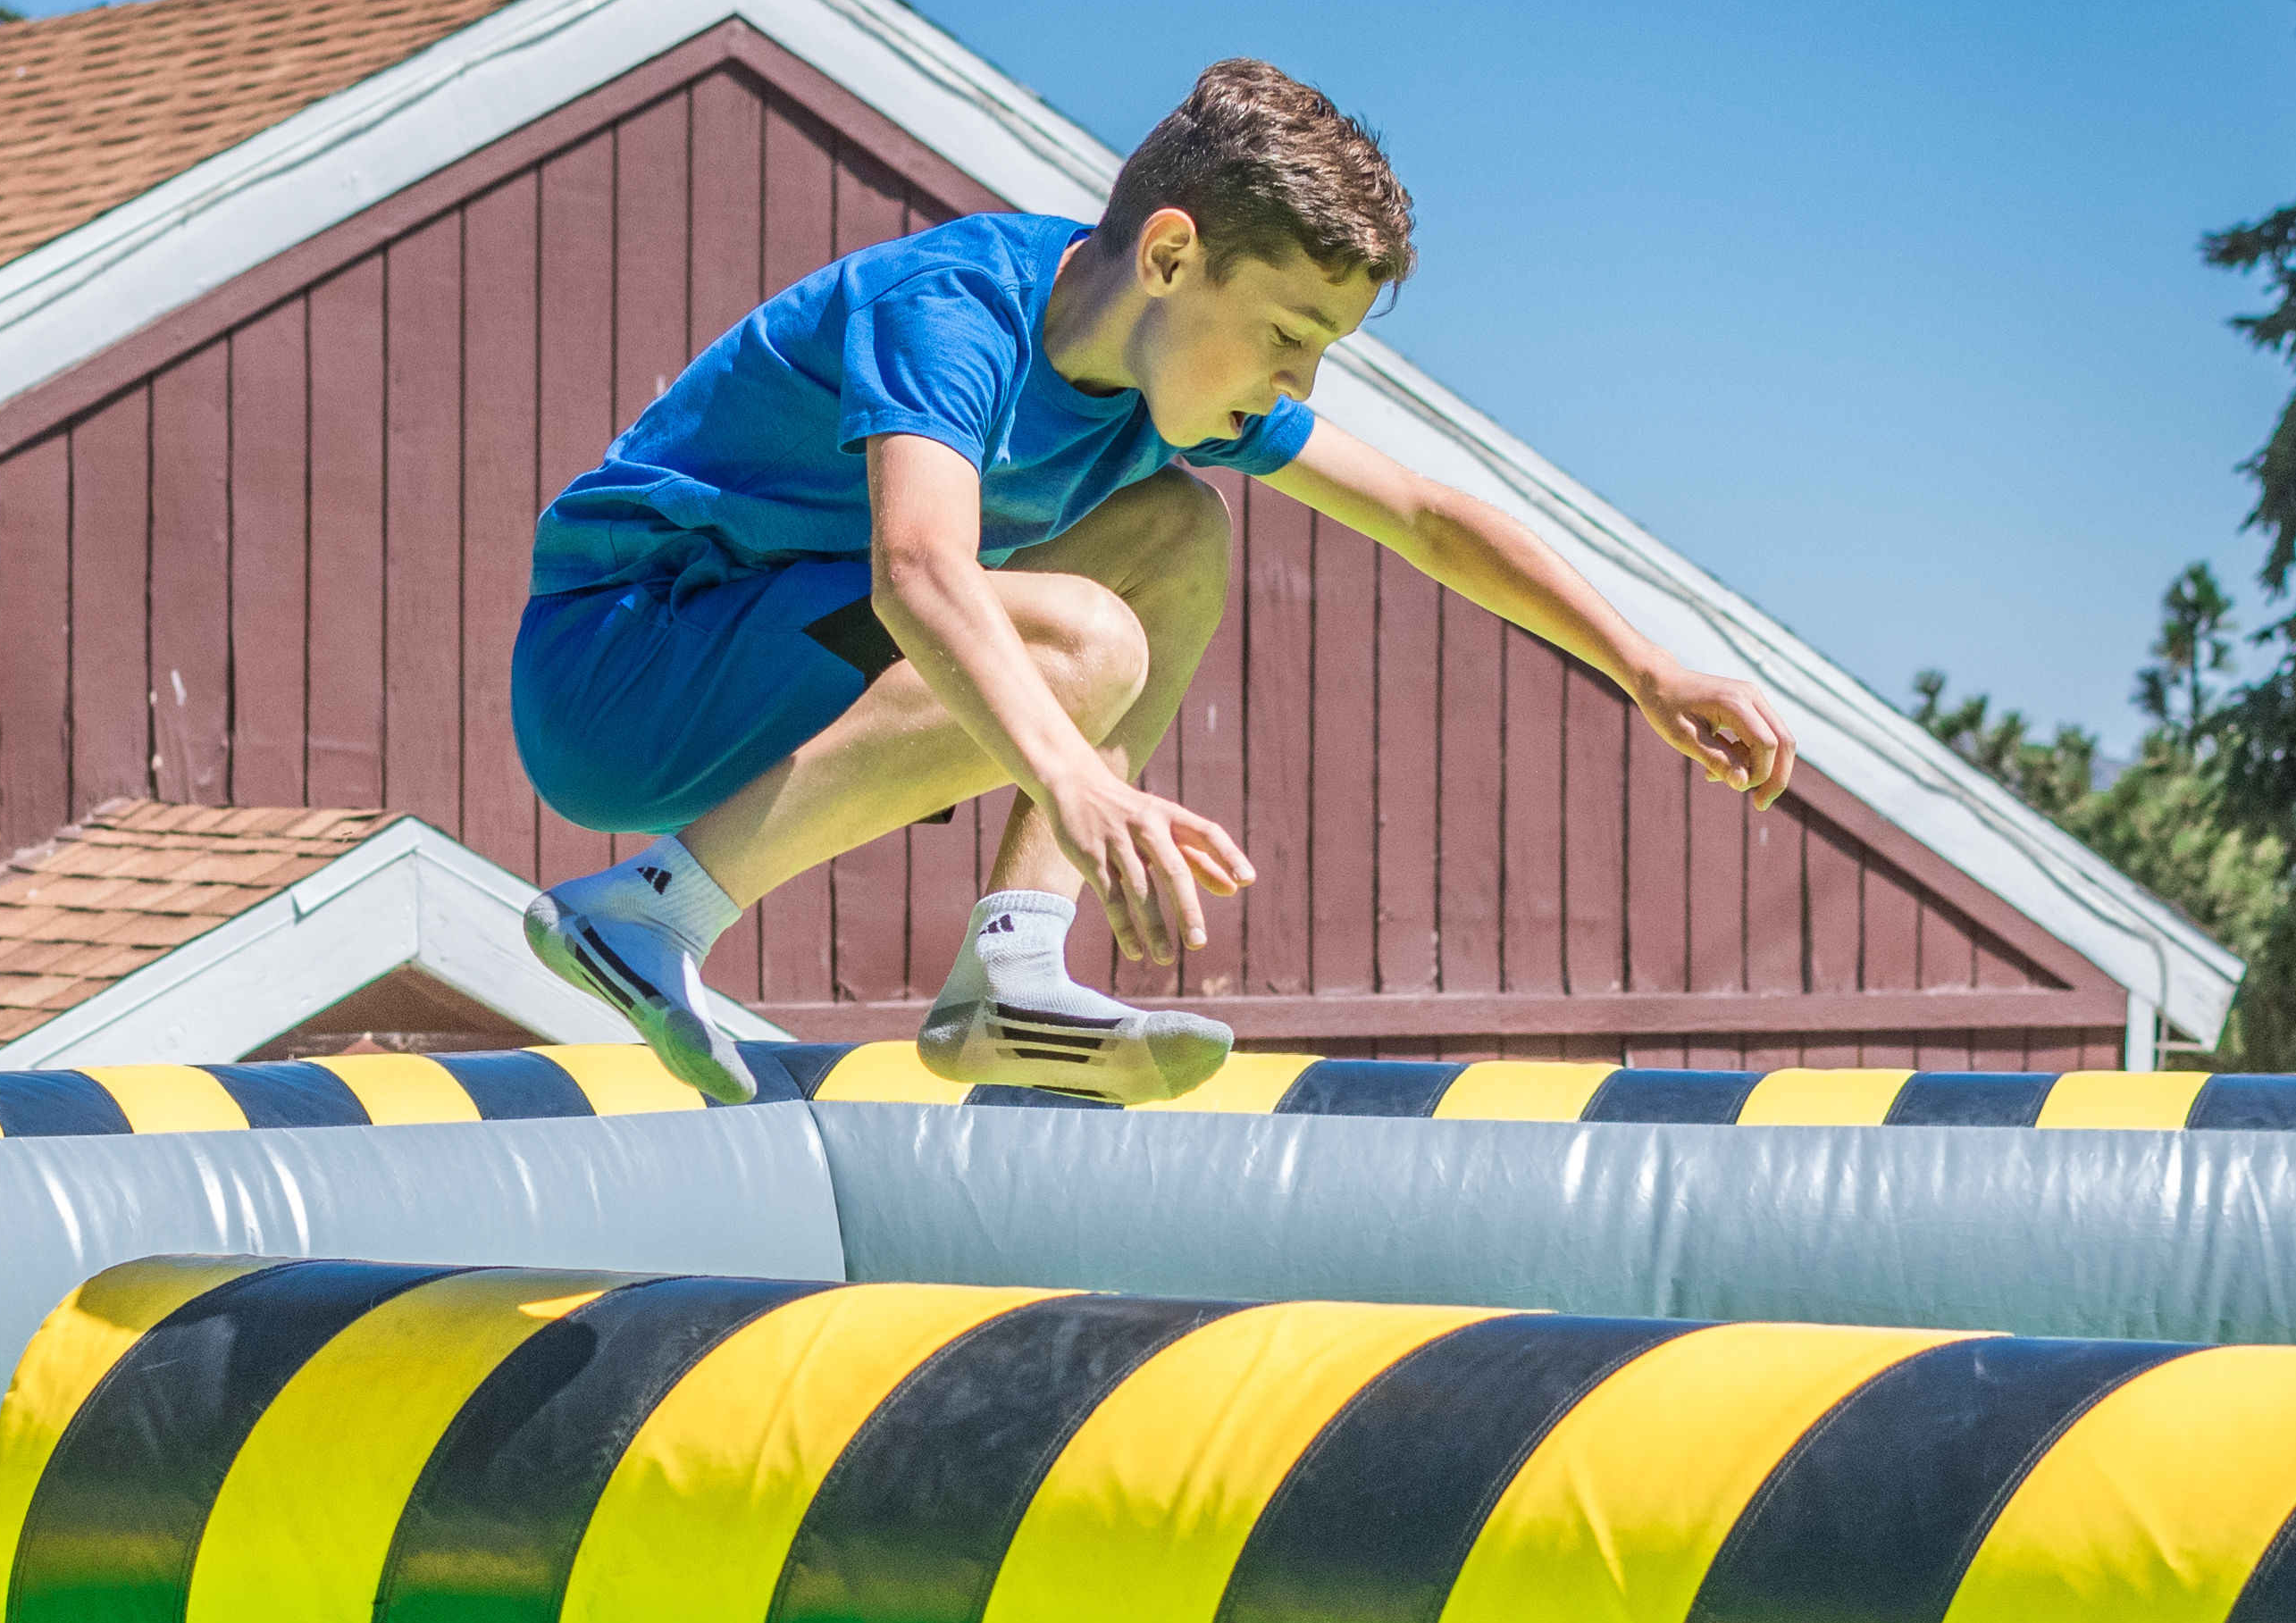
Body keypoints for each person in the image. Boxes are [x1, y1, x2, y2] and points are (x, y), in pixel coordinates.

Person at [515, 58, 1797, 1106]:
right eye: (1289, 336)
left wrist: (1647, 666)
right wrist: (1074, 781)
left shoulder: (1164, 390)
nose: (1295, 386)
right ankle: (650, 912)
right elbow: (918, 569)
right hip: (627, 666)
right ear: (1170, 260)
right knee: (1085, 639)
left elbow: (1425, 515)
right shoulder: (952, 309)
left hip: (770, 659)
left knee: (1176, 528)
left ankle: (1009, 970)